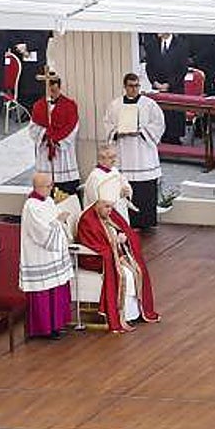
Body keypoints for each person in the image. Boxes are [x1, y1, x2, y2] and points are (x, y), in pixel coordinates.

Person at [75, 188, 159, 332]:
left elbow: (127, 231)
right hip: (95, 259)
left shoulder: (109, 213)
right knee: (126, 275)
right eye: (107, 206)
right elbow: (93, 245)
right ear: (97, 203)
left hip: (115, 254)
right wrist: (115, 243)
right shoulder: (88, 220)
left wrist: (124, 238)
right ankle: (122, 315)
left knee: (137, 270)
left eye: (112, 206)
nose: (110, 210)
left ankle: (134, 313)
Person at [103, 73, 165, 231]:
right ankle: (128, 222)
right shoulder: (115, 105)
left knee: (145, 190)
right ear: (125, 87)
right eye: (131, 86)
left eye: (137, 86)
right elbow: (107, 124)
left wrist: (141, 131)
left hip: (143, 154)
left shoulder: (149, 104)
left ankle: (146, 222)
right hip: (124, 153)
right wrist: (117, 132)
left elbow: (159, 124)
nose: (134, 89)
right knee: (126, 187)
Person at [19, 172, 74, 340]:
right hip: (40, 256)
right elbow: (41, 233)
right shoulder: (31, 206)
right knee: (43, 293)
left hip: (53, 255)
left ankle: (57, 324)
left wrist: (60, 220)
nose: (52, 188)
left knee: (56, 290)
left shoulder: (48, 200)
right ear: (39, 187)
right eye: (49, 186)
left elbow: (54, 220)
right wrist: (58, 221)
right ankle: (44, 329)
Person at [29, 73, 80, 197]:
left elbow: (73, 127)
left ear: (59, 87)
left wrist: (56, 139)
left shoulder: (69, 105)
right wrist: (45, 134)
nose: (51, 93)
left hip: (62, 153)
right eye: (49, 90)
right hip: (45, 153)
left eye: (54, 90)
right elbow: (33, 128)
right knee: (46, 188)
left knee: (66, 193)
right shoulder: (39, 106)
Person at [82, 144, 133, 223]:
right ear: (101, 159)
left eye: (115, 156)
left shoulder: (114, 170)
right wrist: (119, 195)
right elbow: (95, 201)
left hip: (120, 210)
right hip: (106, 217)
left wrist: (127, 191)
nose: (114, 160)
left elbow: (125, 184)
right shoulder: (95, 177)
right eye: (111, 157)